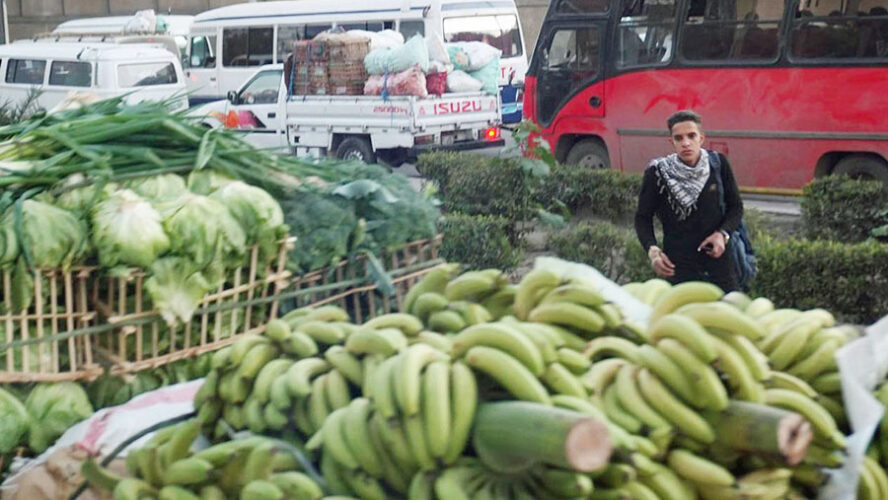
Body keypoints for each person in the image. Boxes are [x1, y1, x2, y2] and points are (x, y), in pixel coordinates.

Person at [634, 110, 743, 291]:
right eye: (679, 138)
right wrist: (653, 252)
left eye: (691, 136)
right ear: (672, 142)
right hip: (678, 267)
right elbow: (642, 218)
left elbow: (736, 207)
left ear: (701, 138)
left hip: (720, 264)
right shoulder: (658, 173)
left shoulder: (718, 164)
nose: (686, 143)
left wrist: (722, 235)